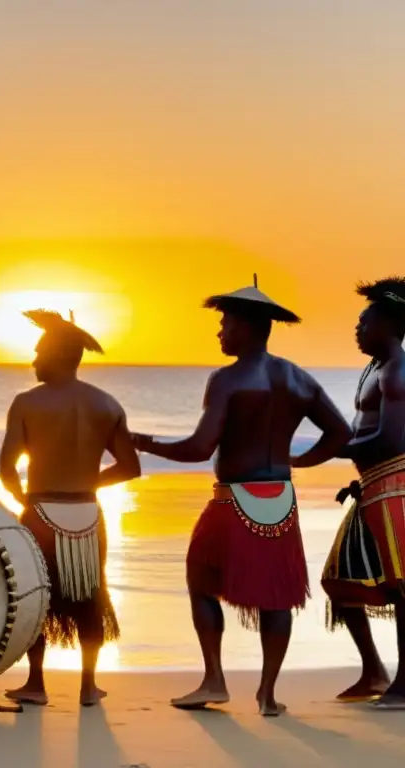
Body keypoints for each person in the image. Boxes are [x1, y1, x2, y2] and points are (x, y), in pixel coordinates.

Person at [132, 278, 351, 716]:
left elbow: (198, 449)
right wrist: (300, 462)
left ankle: (214, 679)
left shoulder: (228, 379)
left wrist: (141, 440)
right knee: (277, 596)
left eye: (225, 324)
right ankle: (268, 695)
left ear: (247, 328)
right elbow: (341, 432)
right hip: (282, 500)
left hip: (233, 501)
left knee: (200, 580)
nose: (219, 332)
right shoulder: (297, 377)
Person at [0, 309, 140, 707]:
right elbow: (130, 466)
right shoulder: (106, 404)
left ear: (60, 355)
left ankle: (36, 684)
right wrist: (87, 481)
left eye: (40, 351)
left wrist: (23, 499)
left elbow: (7, 468)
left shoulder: (26, 403)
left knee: (37, 597)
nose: (33, 359)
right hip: (89, 515)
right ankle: (88, 686)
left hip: (41, 511)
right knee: (91, 599)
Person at [312, 278, 405, 707]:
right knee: (340, 579)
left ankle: (404, 683)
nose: (357, 327)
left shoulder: (398, 371)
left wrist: (334, 449)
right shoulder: (379, 368)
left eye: (364, 320)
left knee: (402, 586)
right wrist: (355, 472)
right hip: (372, 486)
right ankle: (373, 671)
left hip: (395, 485)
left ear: (388, 323)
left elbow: (390, 439)